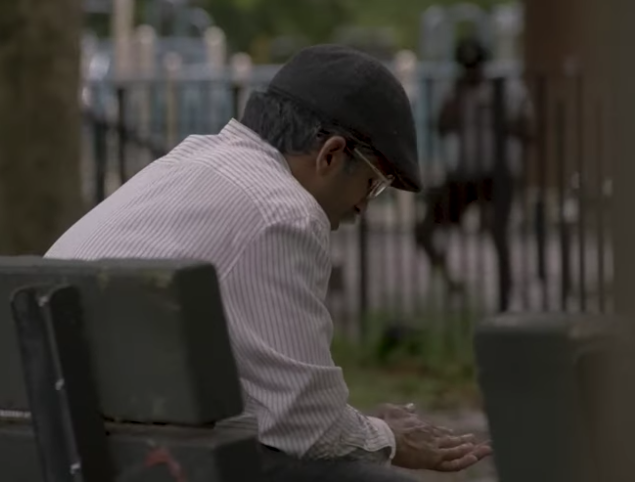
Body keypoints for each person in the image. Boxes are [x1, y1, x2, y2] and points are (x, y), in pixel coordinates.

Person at [47, 44, 491, 481]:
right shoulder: (283, 212)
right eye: (373, 184)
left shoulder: (190, 160)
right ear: (331, 154)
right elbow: (306, 427)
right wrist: (388, 438)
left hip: (49, 447)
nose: (362, 209)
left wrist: (360, 428)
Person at [415, 36, 533, 311]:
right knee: (424, 230)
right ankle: (451, 282)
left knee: (497, 232)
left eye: (475, 66)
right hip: (465, 174)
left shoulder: (508, 89)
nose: (471, 73)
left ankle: (506, 297)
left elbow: (529, 131)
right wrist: (457, 97)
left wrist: (500, 118)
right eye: (465, 67)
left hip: (499, 173)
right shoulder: (457, 92)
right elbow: (442, 127)